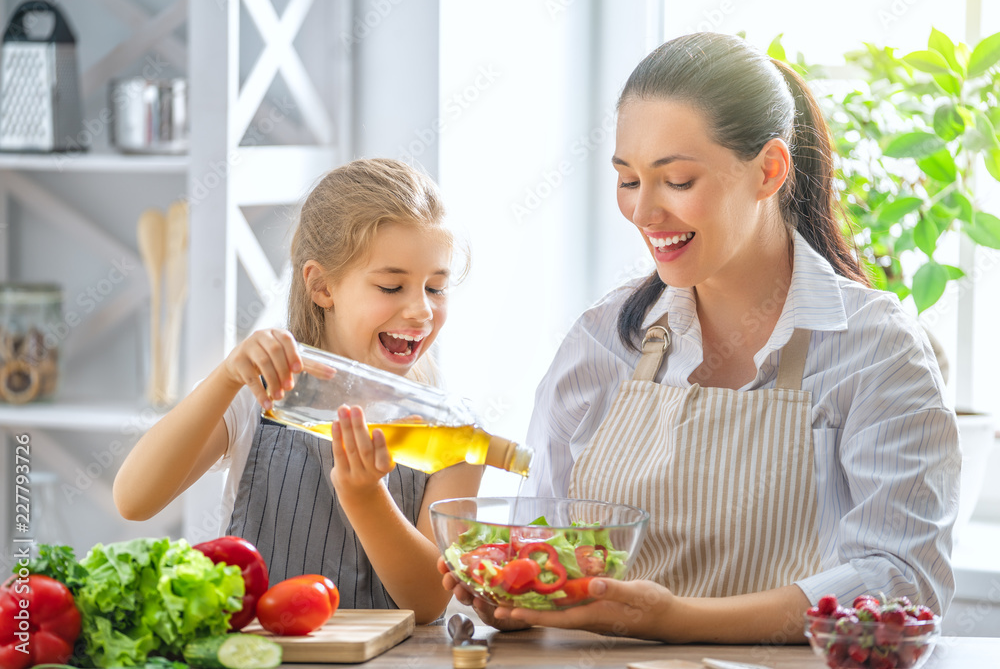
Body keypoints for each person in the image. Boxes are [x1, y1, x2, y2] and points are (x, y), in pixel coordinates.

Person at [440, 32, 960, 642]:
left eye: (678, 181)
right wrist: (517, 591)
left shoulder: (875, 351)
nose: (643, 212)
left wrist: (673, 620)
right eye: (629, 180)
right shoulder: (604, 342)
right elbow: (545, 541)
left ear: (768, 170)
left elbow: (904, 582)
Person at [115, 158, 481, 624]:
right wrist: (227, 376)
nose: (421, 310)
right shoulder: (262, 394)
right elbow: (134, 499)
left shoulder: (455, 434)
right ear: (322, 285)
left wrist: (366, 497)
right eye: (392, 286)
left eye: (436, 288)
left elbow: (429, 600)